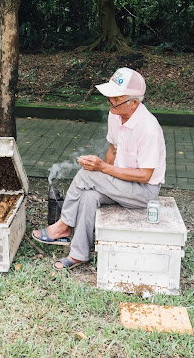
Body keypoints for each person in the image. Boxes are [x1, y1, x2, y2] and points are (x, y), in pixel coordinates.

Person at [32, 68, 166, 270]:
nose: (110, 101)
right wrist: (105, 177)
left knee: (88, 174)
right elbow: (112, 149)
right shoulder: (116, 115)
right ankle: (79, 254)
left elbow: (146, 176)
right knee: (89, 196)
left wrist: (103, 170)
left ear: (134, 103)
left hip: (143, 191)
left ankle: (64, 225)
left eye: (116, 98)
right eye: (109, 96)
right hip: (122, 185)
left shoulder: (149, 129)